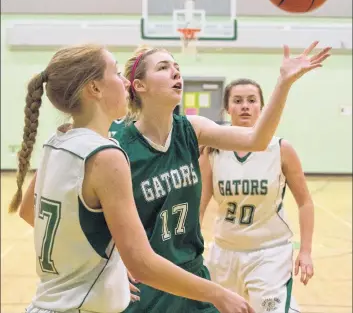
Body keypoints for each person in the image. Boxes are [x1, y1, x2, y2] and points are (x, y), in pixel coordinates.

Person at [12, 43, 259, 313]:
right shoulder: (105, 153)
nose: (124, 83)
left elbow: (28, 211)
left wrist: (104, 261)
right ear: (95, 89)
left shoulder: (56, 141)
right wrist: (218, 293)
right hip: (82, 305)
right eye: (117, 74)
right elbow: (142, 263)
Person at [107, 41, 330, 313]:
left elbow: (258, 139)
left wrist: (283, 83)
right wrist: (110, 263)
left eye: (176, 66)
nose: (176, 72)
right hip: (147, 277)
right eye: (163, 67)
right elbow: (95, 216)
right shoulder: (118, 145)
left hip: (192, 272)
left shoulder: (192, 129)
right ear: (139, 86)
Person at [199, 78, 315, 313]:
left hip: (269, 252)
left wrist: (305, 251)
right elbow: (199, 205)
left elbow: (305, 202)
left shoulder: (281, 148)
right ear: (227, 108)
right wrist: (191, 249)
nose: (245, 106)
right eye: (238, 100)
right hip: (224, 253)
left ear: (261, 107)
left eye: (252, 100)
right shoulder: (213, 151)